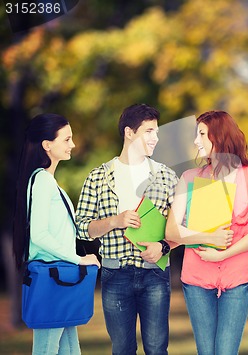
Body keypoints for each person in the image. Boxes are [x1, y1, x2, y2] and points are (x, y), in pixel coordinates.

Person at [75, 104, 178, 354]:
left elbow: (182, 229)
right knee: (122, 349)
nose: (156, 138)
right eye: (149, 131)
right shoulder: (99, 176)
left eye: (157, 131)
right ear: (129, 132)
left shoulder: (166, 176)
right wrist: (114, 221)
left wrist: (163, 246)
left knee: (156, 349)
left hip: (155, 273)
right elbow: (81, 229)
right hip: (115, 274)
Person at [165, 110, 248, 355]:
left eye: (201, 134)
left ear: (219, 136)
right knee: (206, 351)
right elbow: (172, 230)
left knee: (225, 351)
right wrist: (207, 238)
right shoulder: (190, 178)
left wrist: (223, 254)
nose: (195, 141)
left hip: (237, 278)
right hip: (197, 277)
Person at [13, 113, 101, 355]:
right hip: (52, 278)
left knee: (70, 350)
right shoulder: (42, 181)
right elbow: (39, 235)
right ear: (47, 145)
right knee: (46, 349)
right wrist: (79, 259)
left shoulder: (47, 181)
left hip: (58, 279)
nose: (72, 144)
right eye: (67, 139)